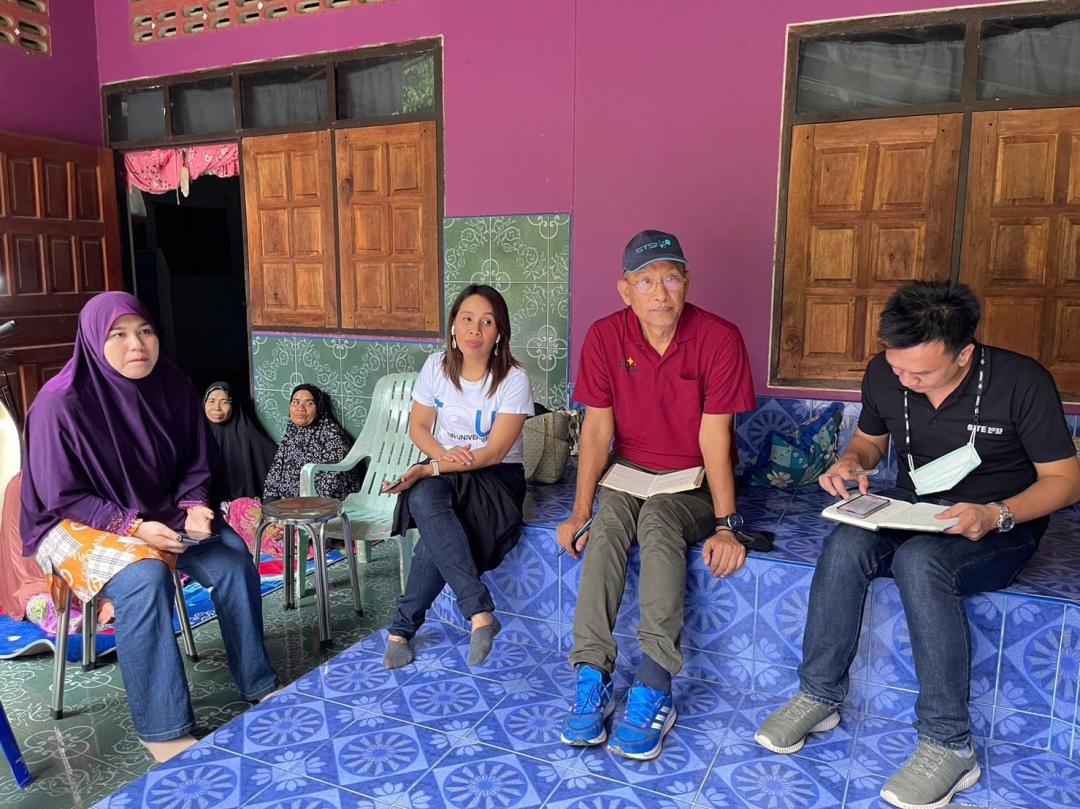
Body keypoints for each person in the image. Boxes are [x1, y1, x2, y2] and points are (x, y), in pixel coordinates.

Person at [754, 281, 1080, 809]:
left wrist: (995, 513)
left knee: (921, 563)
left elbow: (1065, 481)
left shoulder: (1021, 382)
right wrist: (851, 460)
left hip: (1000, 523)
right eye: (897, 368)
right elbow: (869, 440)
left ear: (964, 354)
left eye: (921, 374)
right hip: (914, 508)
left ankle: (949, 745)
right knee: (845, 542)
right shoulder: (886, 372)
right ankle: (818, 695)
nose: (905, 380)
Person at [20, 292, 280, 763]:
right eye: (118, 335)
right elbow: (61, 493)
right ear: (93, 341)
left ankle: (257, 680)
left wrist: (195, 505)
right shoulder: (60, 403)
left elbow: (198, 459)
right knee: (145, 577)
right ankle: (162, 727)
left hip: (161, 508)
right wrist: (133, 527)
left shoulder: (174, 385)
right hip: (73, 521)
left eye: (144, 331)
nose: (136, 345)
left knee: (232, 558)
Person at [556, 230, 756, 761]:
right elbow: (597, 431)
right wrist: (580, 511)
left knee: (660, 520)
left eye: (670, 278)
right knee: (606, 527)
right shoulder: (605, 336)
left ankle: (654, 682)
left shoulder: (719, 337)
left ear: (686, 281)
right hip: (628, 473)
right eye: (645, 281)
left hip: (691, 479)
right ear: (625, 290)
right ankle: (591, 674)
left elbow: (715, 438)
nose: (660, 293)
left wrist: (726, 525)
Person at [381, 284, 534, 670]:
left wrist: (429, 468)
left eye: (487, 322)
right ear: (453, 326)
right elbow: (419, 427)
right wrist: (440, 456)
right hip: (448, 467)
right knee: (424, 497)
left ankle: (402, 628)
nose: (475, 330)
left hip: (497, 477)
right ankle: (479, 613)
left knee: (431, 515)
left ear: (499, 332)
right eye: (467, 319)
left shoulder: (514, 378)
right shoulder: (436, 367)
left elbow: (493, 453)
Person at [203, 382, 277, 551]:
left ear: (234, 405)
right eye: (211, 401)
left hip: (242, 509)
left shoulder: (249, 437)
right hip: (205, 509)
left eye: (224, 402)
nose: (217, 408)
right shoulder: (195, 436)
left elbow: (278, 465)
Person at [262, 384, 363, 503]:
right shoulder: (292, 431)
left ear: (318, 409)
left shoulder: (332, 436)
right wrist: (270, 501)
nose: (301, 408)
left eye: (309, 403)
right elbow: (276, 470)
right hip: (289, 505)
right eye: (296, 402)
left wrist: (300, 508)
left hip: (321, 505)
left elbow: (330, 483)